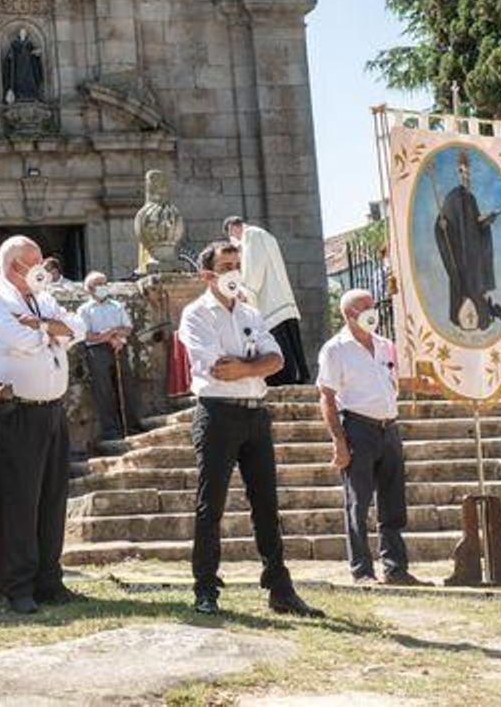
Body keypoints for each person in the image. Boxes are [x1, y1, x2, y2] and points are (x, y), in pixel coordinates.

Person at [180, 240, 322, 618]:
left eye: (237, 264)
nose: (233, 272)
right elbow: (216, 367)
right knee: (211, 505)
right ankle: (205, 588)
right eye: (226, 265)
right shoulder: (195, 314)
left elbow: (277, 360)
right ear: (206, 274)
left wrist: (246, 367)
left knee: (266, 503)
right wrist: (253, 364)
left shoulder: (249, 311)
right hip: (217, 414)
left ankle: (279, 588)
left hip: (255, 414)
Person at [0, 236, 84, 614]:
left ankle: (50, 580)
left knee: (53, 499)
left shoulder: (42, 298)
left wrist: (44, 325)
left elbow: (77, 328)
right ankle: (19, 586)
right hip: (16, 411)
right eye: (33, 262)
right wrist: (48, 332)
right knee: (22, 500)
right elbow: (19, 342)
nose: (41, 268)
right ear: (14, 265)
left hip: (52, 409)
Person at [317, 289, 422, 587]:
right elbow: (326, 396)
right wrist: (338, 440)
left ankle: (395, 568)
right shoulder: (335, 349)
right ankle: (362, 570)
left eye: (372, 305)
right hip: (358, 428)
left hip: (389, 428)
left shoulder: (386, 345)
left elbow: (402, 378)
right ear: (348, 314)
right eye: (364, 307)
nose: (371, 310)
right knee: (358, 503)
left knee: (393, 502)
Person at [223, 216, 310, 385]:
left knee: (279, 343)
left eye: (231, 235)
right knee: (289, 342)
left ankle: (284, 380)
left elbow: (255, 267)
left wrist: (245, 290)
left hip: (269, 301)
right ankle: (296, 377)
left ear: (233, 228)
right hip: (280, 299)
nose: (233, 241)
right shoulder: (265, 235)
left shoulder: (251, 235)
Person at [431, 153, 501, 331]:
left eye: (468, 174)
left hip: (474, 254)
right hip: (459, 255)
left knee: (477, 287)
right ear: (459, 173)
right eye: (463, 173)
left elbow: (475, 225)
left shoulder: (471, 199)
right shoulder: (452, 197)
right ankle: (460, 318)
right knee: (462, 285)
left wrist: (486, 221)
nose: (466, 177)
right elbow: (443, 223)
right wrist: (442, 227)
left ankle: (482, 319)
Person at [79, 271, 138, 451]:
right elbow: (86, 334)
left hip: (119, 347)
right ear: (90, 289)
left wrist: (111, 334)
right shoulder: (85, 310)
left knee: (126, 386)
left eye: (105, 283)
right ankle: (111, 431)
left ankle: (131, 426)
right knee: (104, 391)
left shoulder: (117, 306)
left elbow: (127, 328)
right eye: (99, 284)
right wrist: (109, 336)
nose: (104, 287)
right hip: (97, 352)